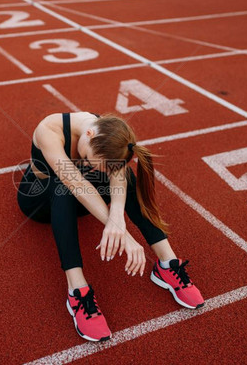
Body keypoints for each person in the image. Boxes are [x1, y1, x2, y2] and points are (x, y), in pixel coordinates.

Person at [16, 112, 204, 342]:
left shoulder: (108, 133)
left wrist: (117, 215)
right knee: (62, 184)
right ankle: (77, 290)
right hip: (39, 201)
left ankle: (167, 263)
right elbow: (78, 184)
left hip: (81, 197)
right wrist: (122, 233)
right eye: (87, 160)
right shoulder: (50, 130)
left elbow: (116, 177)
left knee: (126, 175)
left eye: (95, 166)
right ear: (89, 134)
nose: (88, 165)